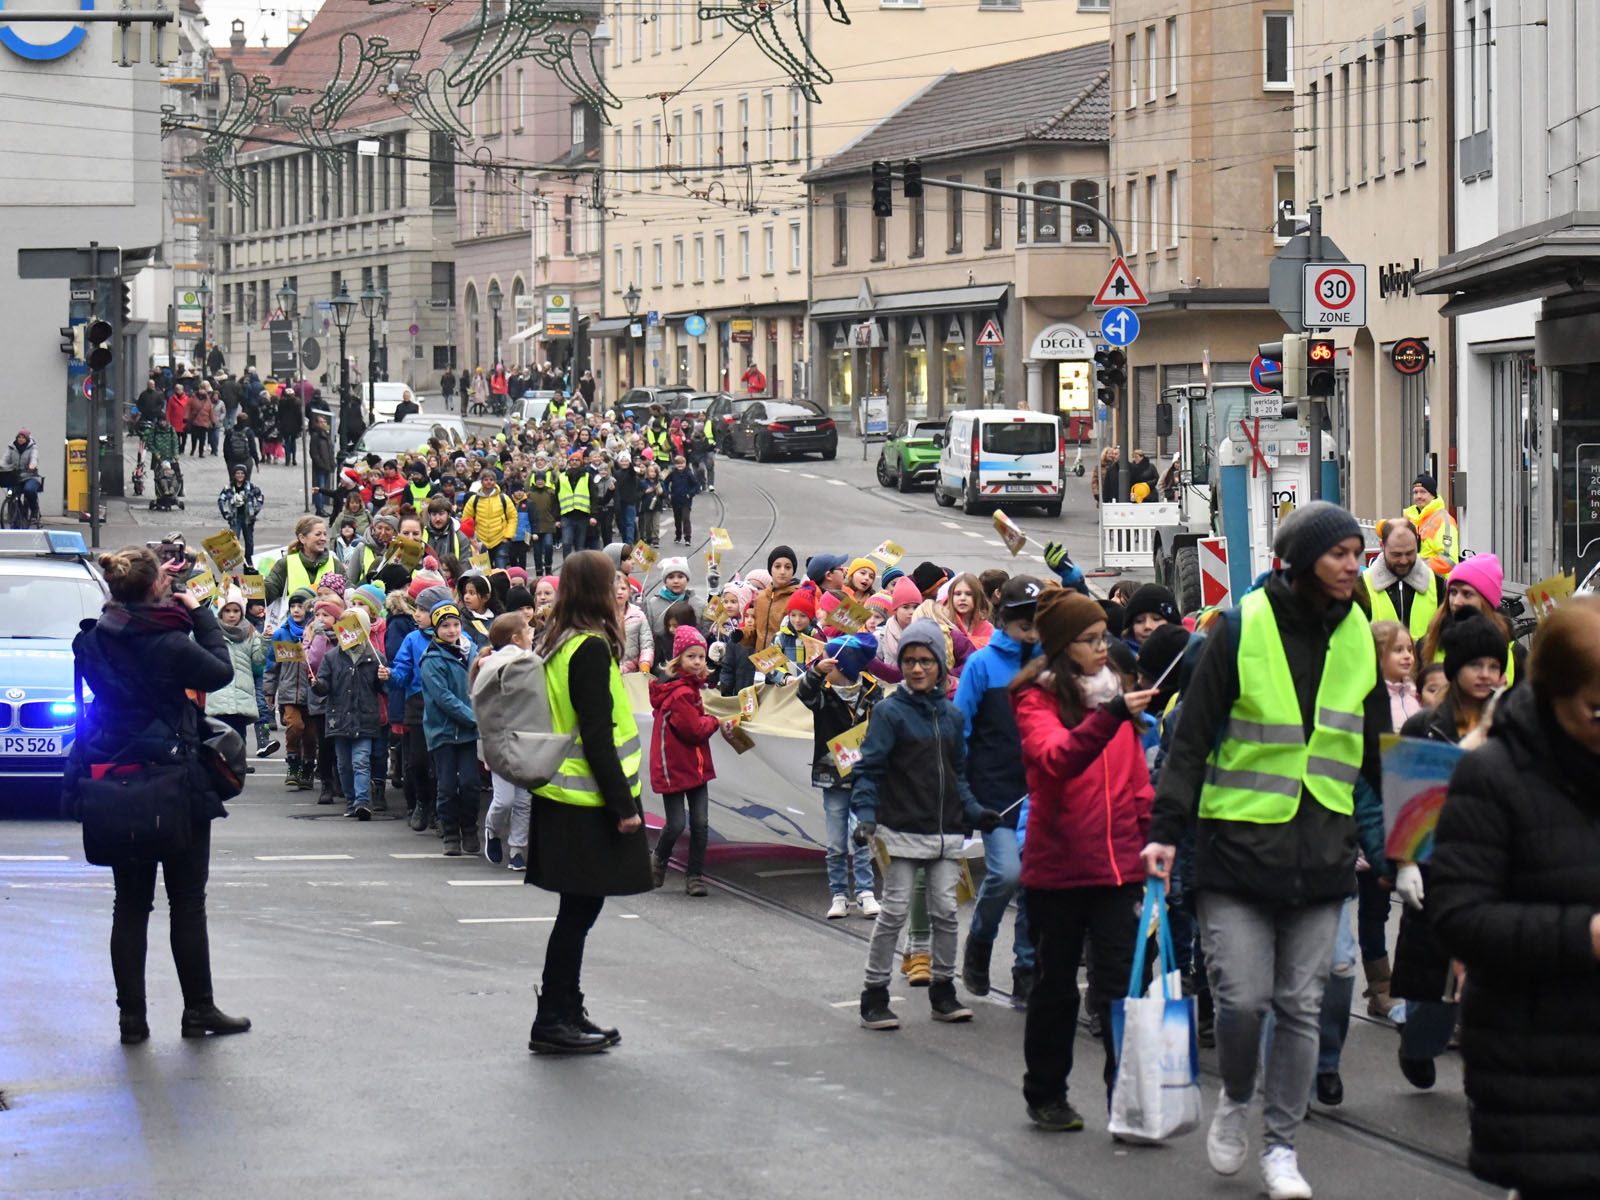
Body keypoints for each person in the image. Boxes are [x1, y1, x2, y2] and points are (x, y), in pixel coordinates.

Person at [1141, 501, 1389, 1200]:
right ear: (1302, 558)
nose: (1353, 565)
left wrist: (1403, 846)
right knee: (1245, 1002)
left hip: (1322, 854)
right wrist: (1164, 832)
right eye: (1340, 553)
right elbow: (1188, 739)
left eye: (1356, 553)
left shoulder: (1361, 638)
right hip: (1238, 851)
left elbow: (1374, 757)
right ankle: (1236, 1099)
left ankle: (1281, 1147)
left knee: (1302, 1007)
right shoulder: (1241, 626)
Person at [1428, 596, 1600, 1200]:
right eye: (1597, 710)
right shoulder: (1493, 774)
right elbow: (1459, 915)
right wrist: (1582, 936)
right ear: (1553, 695)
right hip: (1543, 1065)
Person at [64, 545, 249, 1044]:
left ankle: (132, 1019)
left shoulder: (93, 640)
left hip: (114, 776)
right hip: (174, 778)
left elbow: (123, 617)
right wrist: (202, 613)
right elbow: (219, 671)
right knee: (187, 901)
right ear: (156, 589)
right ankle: (198, 1010)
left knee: (129, 904)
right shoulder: (169, 642)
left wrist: (154, 587)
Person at [1010, 584, 1155, 1130]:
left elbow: (1137, 782)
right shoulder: (1036, 698)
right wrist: (1109, 716)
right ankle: (1046, 1093)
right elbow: (1055, 760)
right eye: (1091, 640)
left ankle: (1130, 1102)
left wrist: (1153, 842)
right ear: (1064, 645)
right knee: (1057, 985)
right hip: (1060, 870)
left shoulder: (1115, 695)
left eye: (1104, 637)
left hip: (1121, 869)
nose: (1103, 648)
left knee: (1123, 987)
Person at [526, 550, 652, 1053]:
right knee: (578, 914)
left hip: (562, 795)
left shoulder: (558, 641)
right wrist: (624, 808)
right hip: (586, 801)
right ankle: (555, 1017)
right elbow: (599, 736)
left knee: (576, 912)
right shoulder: (591, 648)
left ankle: (564, 1008)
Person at [852, 618, 1000, 1030]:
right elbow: (869, 771)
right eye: (910, 661)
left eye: (926, 661)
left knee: (947, 913)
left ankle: (943, 991)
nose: (917, 669)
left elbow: (959, 776)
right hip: (900, 829)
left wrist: (975, 812)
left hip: (946, 833)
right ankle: (874, 993)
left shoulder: (952, 716)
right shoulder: (888, 712)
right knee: (895, 910)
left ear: (940, 665)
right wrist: (865, 817)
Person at [1388, 610, 1506, 1093]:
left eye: (1494, 666)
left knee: (1492, 981)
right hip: (1436, 867)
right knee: (1432, 990)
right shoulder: (1423, 726)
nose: (1486, 675)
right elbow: (1403, 800)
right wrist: (1405, 865)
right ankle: (1416, 1041)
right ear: (1454, 667)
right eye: (1475, 664)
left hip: (1496, 868)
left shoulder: (1512, 720)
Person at [953, 576, 1044, 1003]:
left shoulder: (1053, 666)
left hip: (1042, 793)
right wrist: (962, 791)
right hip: (995, 796)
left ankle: (1027, 968)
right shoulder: (981, 665)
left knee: (1036, 886)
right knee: (1008, 874)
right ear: (1003, 620)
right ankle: (981, 941)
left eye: (1039, 622)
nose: (1032, 631)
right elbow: (960, 731)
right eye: (1024, 623)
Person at [797, 632, 886, 919]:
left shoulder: (873, 693)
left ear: (845, 667)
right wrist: (814, 672)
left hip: (863, 776)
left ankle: (865, 892)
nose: (825, 665)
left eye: (830, 662)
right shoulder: (823, 693)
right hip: (832, 776)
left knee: (861, 835)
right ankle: (838, 893)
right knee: (836, 842)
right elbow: (803, 694)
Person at [648, 626, 720, 896]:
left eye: (701, 657)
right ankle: (661, 861)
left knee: (699, 823)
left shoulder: (688, 688)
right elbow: (694, 730)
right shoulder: (680, 693)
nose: (698, 662)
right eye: (692, 657)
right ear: (678, 660)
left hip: (693, 766)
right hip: (676, 768)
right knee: (678, 823)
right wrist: (714, 721)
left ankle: (694, 876)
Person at [312, 605, 390, 820]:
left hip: (365, 717)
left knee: (361, 761)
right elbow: (324, 686)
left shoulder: (376, 658)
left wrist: (385, 678)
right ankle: (350, 799)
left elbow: (383, 689)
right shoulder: (332, 657)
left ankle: (362, 802)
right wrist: (317, 684)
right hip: (340, 718)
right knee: (344, 765)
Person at [419, 601, 481, 856]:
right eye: (445, 626)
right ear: (436, 629)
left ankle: (469, 827)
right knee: (446, 785)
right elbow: (444, 698)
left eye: (456, 625)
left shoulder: (472, 652)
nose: (452, 630)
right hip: (443, 730)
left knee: (470, 783)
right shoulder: (431, 659)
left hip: (467, 732)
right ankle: (450, 831)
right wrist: (474, 718)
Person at [1418, 553, 1524, 684]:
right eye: (1453, 592)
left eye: (1467, 594)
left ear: (1486, 601)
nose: (1456, 602)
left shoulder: (1515, 653)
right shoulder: (1428, 643)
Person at [209, 587, 268, 769]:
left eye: (236, 611)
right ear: (220, 611)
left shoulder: (250, 633)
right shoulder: (211, 631)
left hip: (241, 694)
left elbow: (258, 659)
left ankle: (238, 763)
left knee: (239, 733)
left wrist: (265, 641)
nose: (232, 615)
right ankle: (220, 765)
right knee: (219, 733)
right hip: (219, 692)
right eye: (227, 611)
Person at [1360, 518, 1446, 641]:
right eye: (1396, 554)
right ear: (1382, 546)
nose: (1404, 561)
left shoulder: (1440, 585)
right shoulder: (1361, 587)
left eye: (1410, 553)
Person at [265, 515, 334, 606]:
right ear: (302, 538)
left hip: (324, 619)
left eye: (325, 534)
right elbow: (268, 592)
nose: (323, 539)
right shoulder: (285, 564)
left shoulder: (335, 563)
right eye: (318, 534)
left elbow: (350, 596)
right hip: (293, 619)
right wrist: (253, 582)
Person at [1403, 473, 1458, 577]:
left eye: (1423, 492)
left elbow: (1449, 560)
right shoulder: (1413, 520)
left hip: (1438, 586)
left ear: (1433, 495)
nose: (1418, 496)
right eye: (1415, 492)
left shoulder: (1444, 520)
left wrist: (1416, 568)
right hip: (1419, 582)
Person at [216, 466, 264, 566]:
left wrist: (256, 510)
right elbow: (221, 499)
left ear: (245, 475)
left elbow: (260, 497)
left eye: (242, 473)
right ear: (234, 475)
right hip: (235, 518)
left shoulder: (251, 486)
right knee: (234, 539)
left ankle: (249, 560)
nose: (240, 475)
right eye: (237, 473)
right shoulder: (229, 487)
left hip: (248, 518)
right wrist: (226, 513)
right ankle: (233, 559)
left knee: (249, 540)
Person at [2, 429, 43, 524]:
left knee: (29, 490)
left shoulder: (33, 447)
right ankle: (16, 513)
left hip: (31, 476)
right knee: (11, 492)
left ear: (27, 439)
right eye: (19, 437)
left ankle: (34, 511)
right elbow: (4, 459)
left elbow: (34, 458)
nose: (20, 439)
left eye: (23, 437)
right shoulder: (11, 447)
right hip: (17, 477)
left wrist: (32, 465)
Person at [664, 453, 700, 545]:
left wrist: (690, 494)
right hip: (675, 500)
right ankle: (678, 535)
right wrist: (667, 493)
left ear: (685, 463)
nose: (680, 466)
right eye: (677, 464)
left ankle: (687, 537)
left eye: (681, 463)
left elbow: (696, 485)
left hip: (686, 500)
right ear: (675, 465)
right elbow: (665, 483)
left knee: (686, 518)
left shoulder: (688, 474)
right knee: (677, 519)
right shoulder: (673, 474)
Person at [308, 415, 336, 517]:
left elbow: (330, 451)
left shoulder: (326, 435)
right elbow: (314, 453)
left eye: (325, 422)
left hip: (327, 466)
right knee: (319, 488)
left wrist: (332, 463)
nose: (324, 424)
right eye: (321, 422)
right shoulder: (316, 436)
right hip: (321, 467)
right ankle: (319, 509)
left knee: (323, 489)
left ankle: (321, 508)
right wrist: (320, 464)